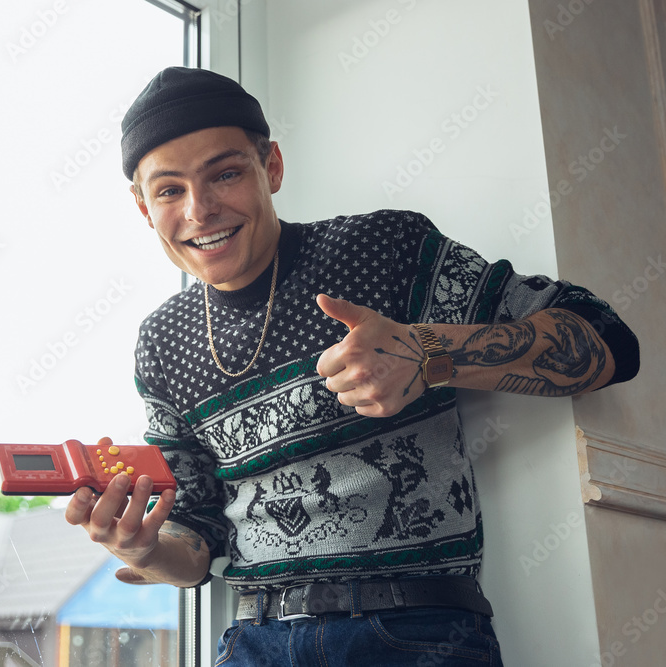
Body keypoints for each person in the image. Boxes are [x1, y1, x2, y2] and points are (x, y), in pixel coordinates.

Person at [64, 67, 640, 666]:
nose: (200, 210)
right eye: (169, 190)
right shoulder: (161, 341)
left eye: (226, 173)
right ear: (143, 208)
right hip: (253, 641)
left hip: (414, 631)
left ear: (273, 167)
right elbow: (197, 534)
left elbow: (604, 337)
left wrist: (429, 354)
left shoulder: (381, 249)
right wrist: (141, 547)